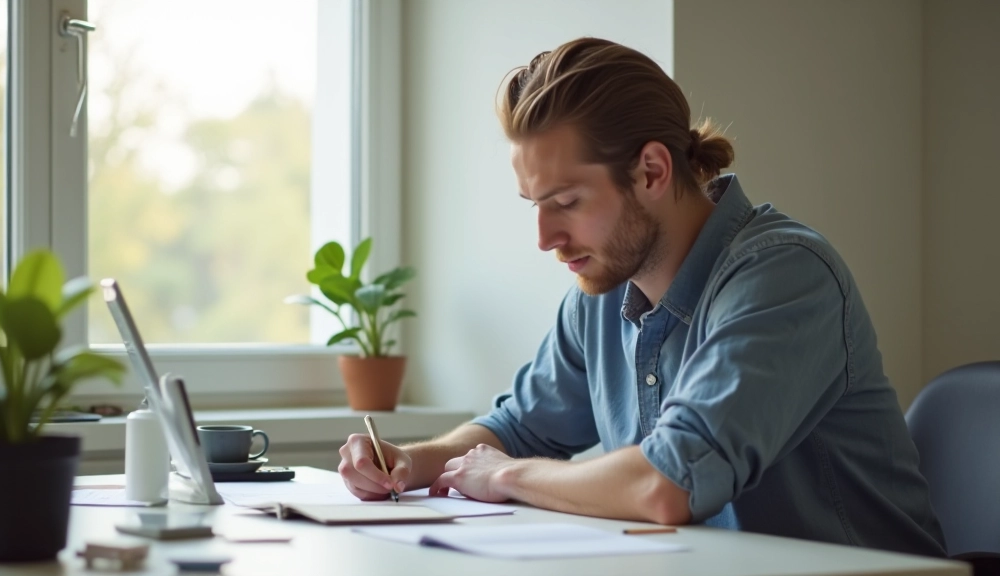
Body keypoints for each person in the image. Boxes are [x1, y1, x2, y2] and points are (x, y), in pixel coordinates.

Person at [337, 37, 946, 557]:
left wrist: (504, 478)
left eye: (567, 202)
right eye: (536, 206)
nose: (546, 238)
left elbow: (667, 485)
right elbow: (517, 427)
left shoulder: (784, 276)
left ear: (652, 171)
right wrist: (410, 464)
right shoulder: (601, 289)